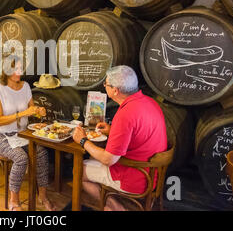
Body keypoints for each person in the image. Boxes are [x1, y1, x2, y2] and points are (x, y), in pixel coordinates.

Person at [72, 65, 167, 210]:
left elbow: (108, 159)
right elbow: (139, 134)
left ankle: (115, 207)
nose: (105, 86)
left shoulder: (125, 114)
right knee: (92, 159)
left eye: (106, 84)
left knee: (78, 170)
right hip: (154, 174)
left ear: (115, 90)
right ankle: (113, 199)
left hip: (137, 177)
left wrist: (83, 140)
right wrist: (113, 130)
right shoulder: (150, 102)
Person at [0, 56, 55, 211]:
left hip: (22, 134)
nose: (20, 72)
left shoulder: (25, 87)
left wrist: (38, 111)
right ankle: (14, 201)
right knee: (21, 158)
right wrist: (22, 113)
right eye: (15, 69)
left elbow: (32, 110)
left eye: (20, 68)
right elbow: (0, 120)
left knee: (42, 154)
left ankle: (43, 196)